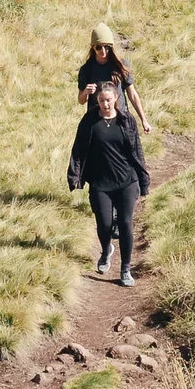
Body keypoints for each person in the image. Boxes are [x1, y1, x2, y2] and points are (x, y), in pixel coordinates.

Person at [67, 78, 148, 284]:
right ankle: (106, 250)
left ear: (116, 99)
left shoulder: (127, 120)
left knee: (126, 222)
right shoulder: (89, 122)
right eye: (101, 100)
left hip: (126, 181)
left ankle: (125, 269)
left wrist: (143, 179)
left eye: (109, 100)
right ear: (97, 101)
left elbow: (137, 151)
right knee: (104, 224)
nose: (105, 104)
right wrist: (75, 175)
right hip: (100, 183)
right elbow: (78, 150)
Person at [77, 22, 153, 135]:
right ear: (93, 48)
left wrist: (144, 120)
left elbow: (132, 94)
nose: (103, 51)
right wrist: (85, 92)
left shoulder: (120, 65)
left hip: (120, 119)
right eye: (99, 47)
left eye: (107, 47)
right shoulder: (86, 69)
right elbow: (81, 100)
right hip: (97, 124)